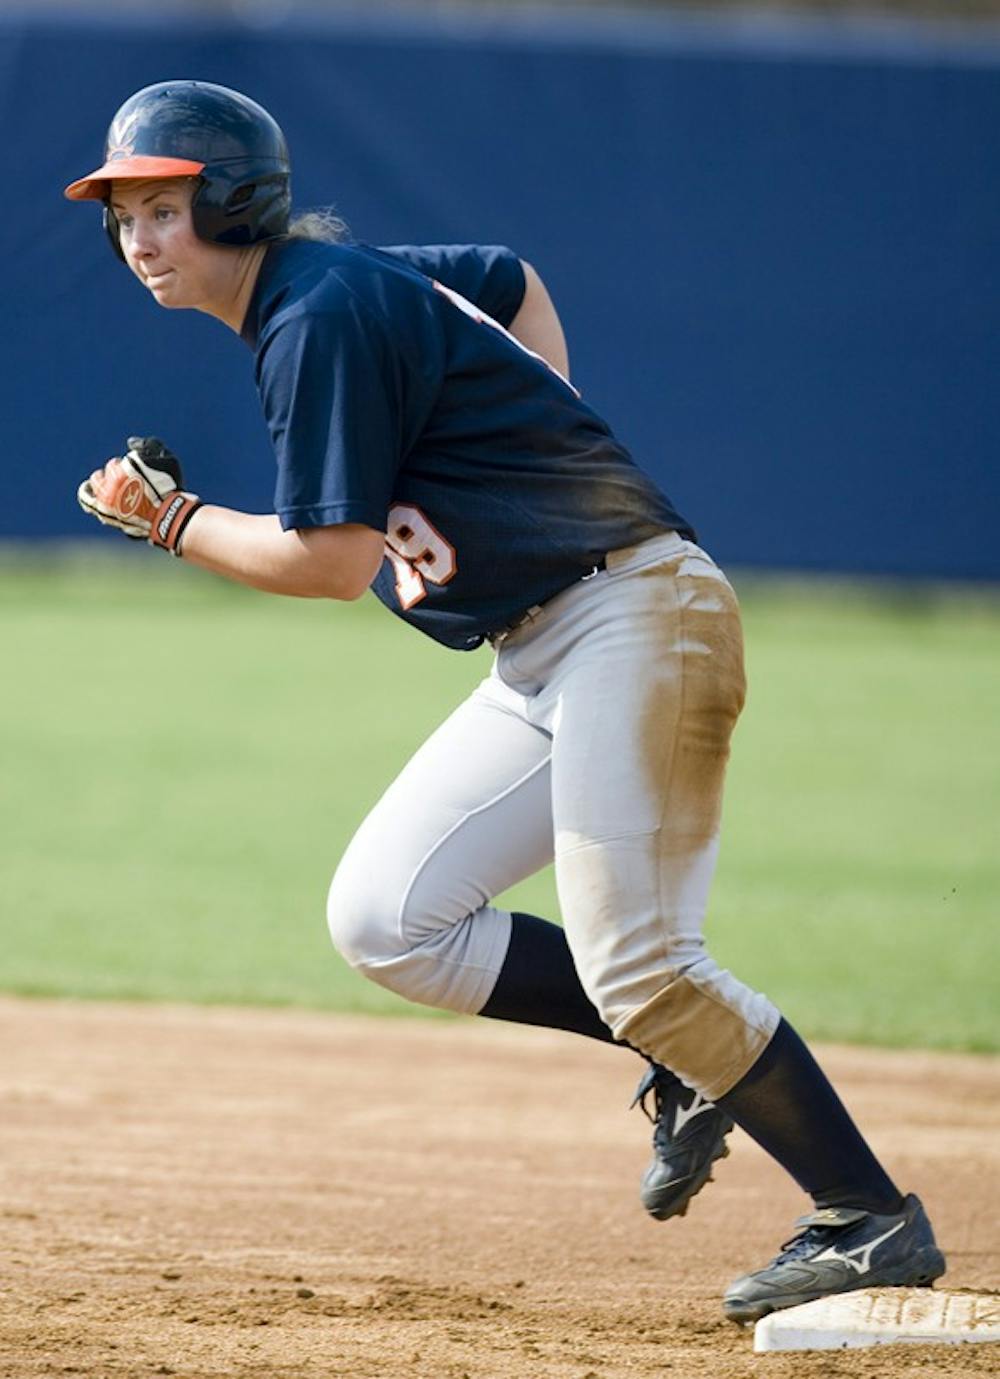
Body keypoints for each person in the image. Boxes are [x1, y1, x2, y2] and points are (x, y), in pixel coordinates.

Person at [65, 80, 945, 1323]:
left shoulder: (314, 311)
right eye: (123, 214)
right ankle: (680, 1054)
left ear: (237, 200)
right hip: (542, 647)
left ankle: (868, 1216)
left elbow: (326, 565)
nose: (140, 238)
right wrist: (539, 423)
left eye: (165, 205)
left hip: (631, 614)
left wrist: (170, 520)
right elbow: (506, 274)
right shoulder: (328, 290)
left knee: (645, 961)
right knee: (388, 917)